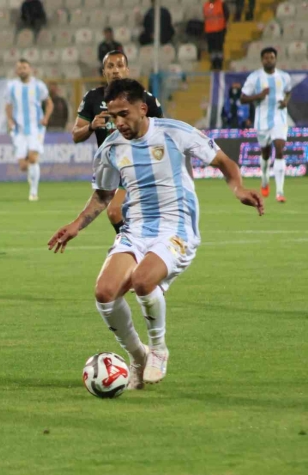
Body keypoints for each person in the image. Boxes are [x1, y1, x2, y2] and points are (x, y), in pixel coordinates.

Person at [48, 78, 263, 390]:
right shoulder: (110, 148)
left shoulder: (174, 132)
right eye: (113, 116)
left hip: (177, 228)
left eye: (124, 114)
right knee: (104, 293)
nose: (118, 122)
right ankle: (138, 356)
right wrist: (76, 225)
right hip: (136, 230)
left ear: (142, 108)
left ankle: (158, 348)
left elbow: (223, 161)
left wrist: (238, 189)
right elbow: (103, 195)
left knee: (143, 280)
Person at [73, 51, 163, 234]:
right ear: (103, 71)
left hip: (138, 164)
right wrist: (91, 126)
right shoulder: (93, 98)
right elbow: (76, 135)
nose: (115, 70)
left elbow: (161, 134)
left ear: (127, 70)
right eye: (110, 66)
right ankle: (135, 245)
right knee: (117, 212)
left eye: (120, 66)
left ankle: (131, 245)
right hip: (112, 167)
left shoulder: (145, 99)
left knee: (115, 211)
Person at [240, 47, 292, 202]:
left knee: (280, 149)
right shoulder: (254, 77)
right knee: (265, 153)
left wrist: (286, 101)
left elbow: (288, 91)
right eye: (266, 58)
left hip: (279, 119)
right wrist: (259, 95)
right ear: (262, 60)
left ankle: (280, 192)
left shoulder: (284, 76)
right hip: (262, 121)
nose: (269, 60)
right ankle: (264, 179)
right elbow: (243, 98)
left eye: (271, 57)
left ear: (276, 59)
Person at [5, 58, 53, 201]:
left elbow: (49, 103)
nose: (22, 70)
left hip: (36, 128)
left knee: (32, 158)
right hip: (19, 129)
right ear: (16, 71)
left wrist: (46, 118)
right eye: (19, 68)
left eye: (24, 67)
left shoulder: (39, 86)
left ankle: (33, 192)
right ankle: (31, 175)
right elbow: (8, 105)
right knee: (23, 166)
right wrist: (9, 120)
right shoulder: (12, 86)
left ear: (30, 69)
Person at [204, 0, 230, 71]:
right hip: (209, 30)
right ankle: (213, 63)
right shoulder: (206, 5)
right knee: (212, 49)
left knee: (218, 48)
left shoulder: (221, 4)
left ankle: (219, 64)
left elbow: (226, 15)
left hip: (219, 30)